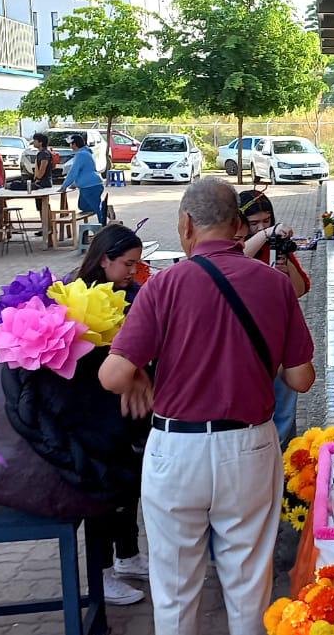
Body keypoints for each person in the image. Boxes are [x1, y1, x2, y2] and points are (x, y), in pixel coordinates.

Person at [100, 178, 316, 635]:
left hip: (177, 450)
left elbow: (112, 376)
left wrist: (139, 374)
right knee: (249, 579)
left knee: (175, 588)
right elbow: (301, 378)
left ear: (186, 225)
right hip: (251, 447)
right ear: (239, 225)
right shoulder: (274, 284)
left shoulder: (164, 285)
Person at [71, 223, 149, 606]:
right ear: (104, 259)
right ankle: (100, 573)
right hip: (93, 410)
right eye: (127, 264)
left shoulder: (132, 294)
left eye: (137, 264)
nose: (133, 271)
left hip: (127, 409)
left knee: (129, 481)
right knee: (102, 490)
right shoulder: (76, 296)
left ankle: (127, 554)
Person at [237, 190, 309, 446]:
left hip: (278, 336)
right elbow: (239, 257)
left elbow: (299, 289)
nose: (261, 227)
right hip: (246, 340)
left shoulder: (274, 247)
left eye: (266, 221)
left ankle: (285, 453)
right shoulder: (238, 246)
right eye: (254, 223)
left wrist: (285, 269)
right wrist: (266, 234)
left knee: (284, 405)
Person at [60, 133, 106, 223]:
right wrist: (75, 184)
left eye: (71, 144)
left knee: (96, 208)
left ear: (74, 144)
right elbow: (83, 171)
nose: (70, 146)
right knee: (83, 206)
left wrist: (64, 186)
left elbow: (73, 172)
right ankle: (103, 209)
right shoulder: (87, 152)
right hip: (92, 184)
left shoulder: (81, 155)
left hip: (89, 186)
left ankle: (103, 224)